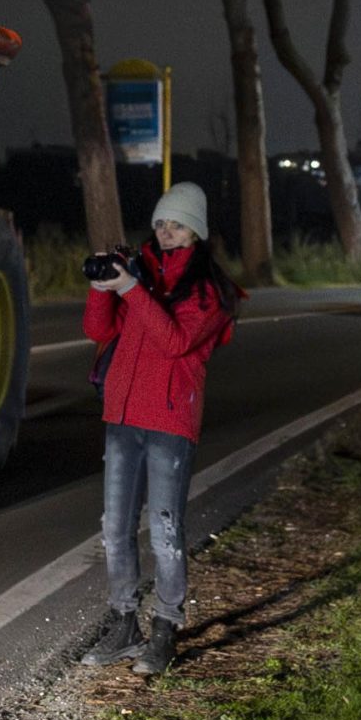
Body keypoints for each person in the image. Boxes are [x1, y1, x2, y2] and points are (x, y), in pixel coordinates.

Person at [80, 182, 241, 677]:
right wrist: (103, 286)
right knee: (115, 528)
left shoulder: (210, 291)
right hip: (122, 415)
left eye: (174, 224)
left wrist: (131, 289)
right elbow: (98, 331)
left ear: (195, 229)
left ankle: (165, 627)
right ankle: (125, 622)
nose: (164, 232)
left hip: (169, 420)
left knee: (165, 530)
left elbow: (173, 341)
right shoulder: (140, 273)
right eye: (159, 224)